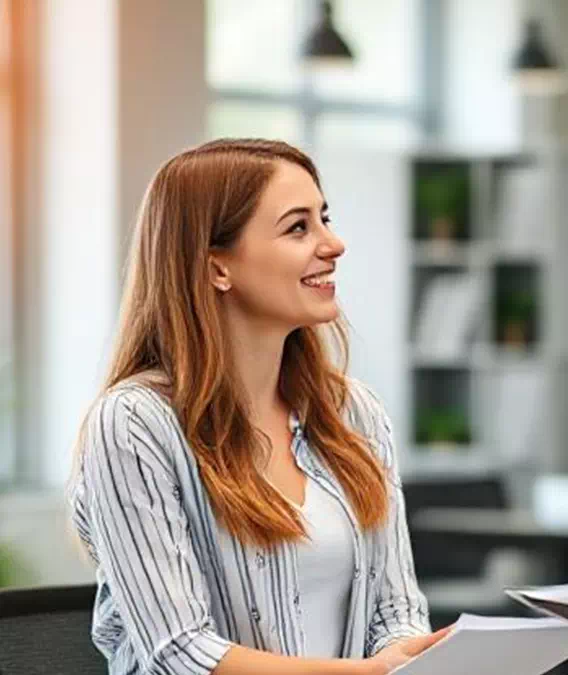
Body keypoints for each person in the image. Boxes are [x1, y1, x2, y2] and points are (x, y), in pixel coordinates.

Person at [69, 139, 447, 675]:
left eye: (324, 219)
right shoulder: (134, 424)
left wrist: (411, 655)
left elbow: (395, 612)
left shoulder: (352, 413)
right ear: (217, 267)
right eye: (299, 227)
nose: (334, 244)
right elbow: (179, 653)